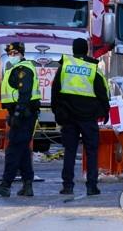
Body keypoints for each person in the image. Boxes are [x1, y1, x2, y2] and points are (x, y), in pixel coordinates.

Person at [51, 38, 110, 196]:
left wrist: (56, 111)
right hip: (88, 117)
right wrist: (105, 110)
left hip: (69, 117)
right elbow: (102, 92)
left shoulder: (65, 66)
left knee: (69, 151)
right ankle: (92, 186)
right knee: (91, 151)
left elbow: (55, 90)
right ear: (86, 50)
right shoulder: (93, 68)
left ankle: (67, 185)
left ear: (73, 49)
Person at [0, 42, 41, 197]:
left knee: (13, 150)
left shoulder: (23, 69)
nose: (12, 56)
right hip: (23, 113)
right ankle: (27, 185)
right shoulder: (16, 69)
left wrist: (17, 113)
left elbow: (25, 93)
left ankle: (6, 185)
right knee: (22, 151)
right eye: (9, 53)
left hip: (23, 115)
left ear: (21, 53)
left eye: (15, 53)